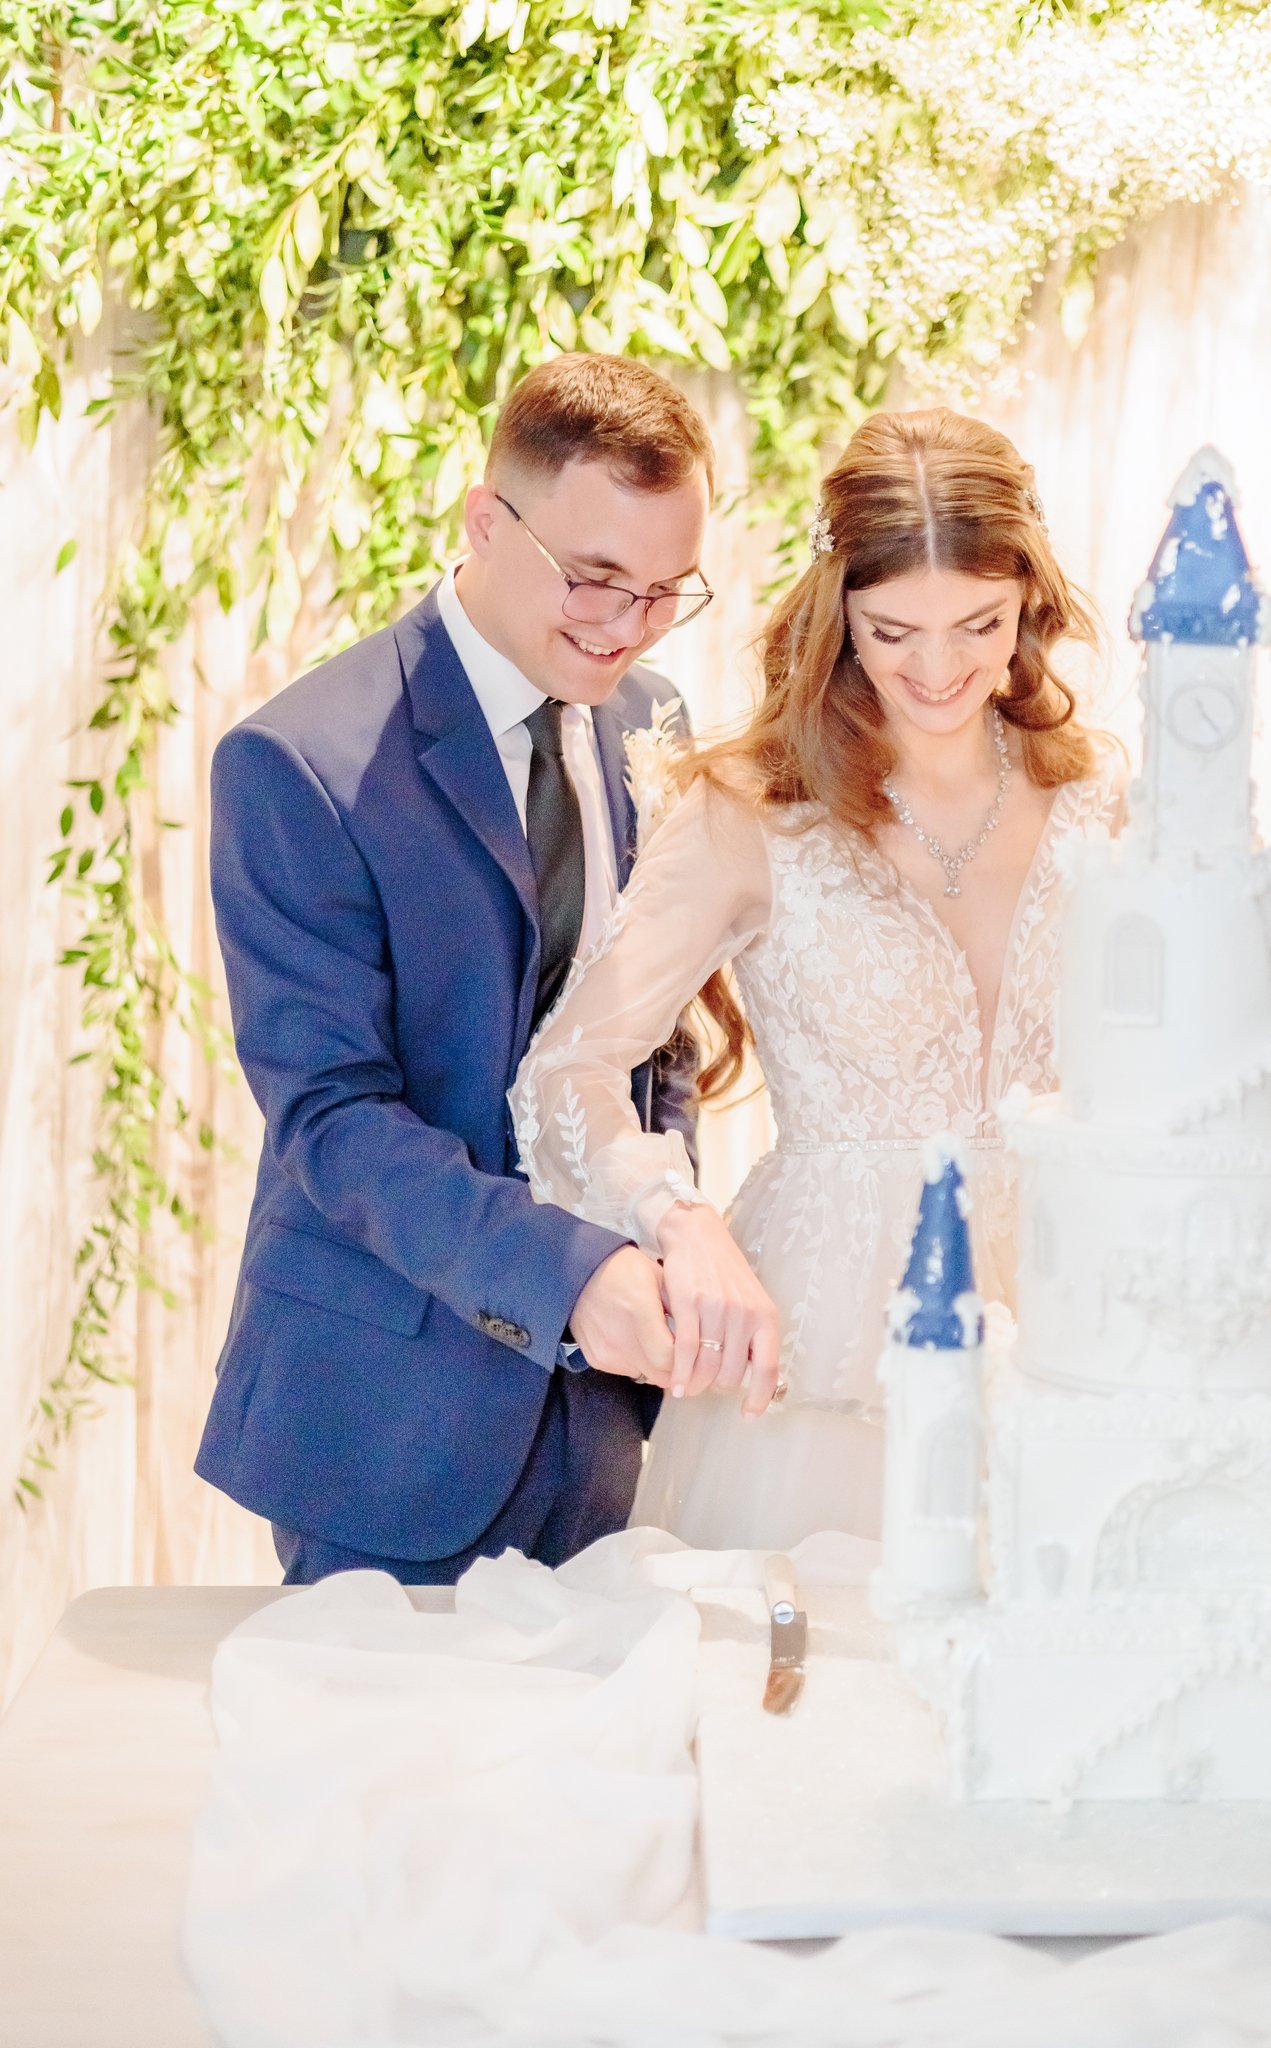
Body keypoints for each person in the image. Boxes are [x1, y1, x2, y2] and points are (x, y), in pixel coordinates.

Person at [511, 407, 1123, 1551]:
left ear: (1029, 600)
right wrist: (677, 1220)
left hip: (1067, 1318)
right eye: (893, 632)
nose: (936, 669)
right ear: (837, 609)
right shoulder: (756, 811)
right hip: (820, 1346)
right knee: (815, 1700)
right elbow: (569, 1068)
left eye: (977, 625)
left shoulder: (1097, 802)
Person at [195, 352, 751, 1585]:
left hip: (602, 1418)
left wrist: (664, 1226)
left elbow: (648, 1041)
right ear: (486, 520)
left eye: (666, 591)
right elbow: (335, 1123)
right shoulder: (300, 763)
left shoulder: (650, 717)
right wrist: (568, 1271)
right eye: (597, 580)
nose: (629, 626)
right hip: (387, 1423)